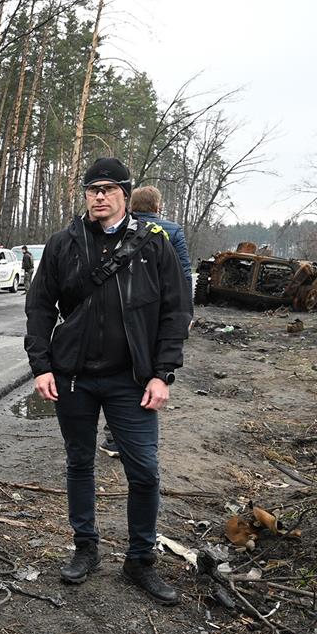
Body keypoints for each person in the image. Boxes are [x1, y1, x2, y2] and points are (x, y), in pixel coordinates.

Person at [24, 156, 190, 605]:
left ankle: (140, 560)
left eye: (109, 189)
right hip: (73, 377)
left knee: (144, 471)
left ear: (125, 193)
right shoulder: (64, 243)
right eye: (92, 189)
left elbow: (176, 310)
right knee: (79, 463)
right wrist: (41, 366)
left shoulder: (153, 244)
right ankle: (86, 547)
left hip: (131, 380)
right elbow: (39, 307)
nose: (99, 196)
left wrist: (162, 373)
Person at [98, 185, 193, 459]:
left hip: (125, 309)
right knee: (148, 368)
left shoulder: (119, 227)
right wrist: (186, 313)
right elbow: (184, 272)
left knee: (120, 367)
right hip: (159, 311)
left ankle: (113, 437)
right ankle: (130, 436)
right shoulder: (171, 231)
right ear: (157, 206)